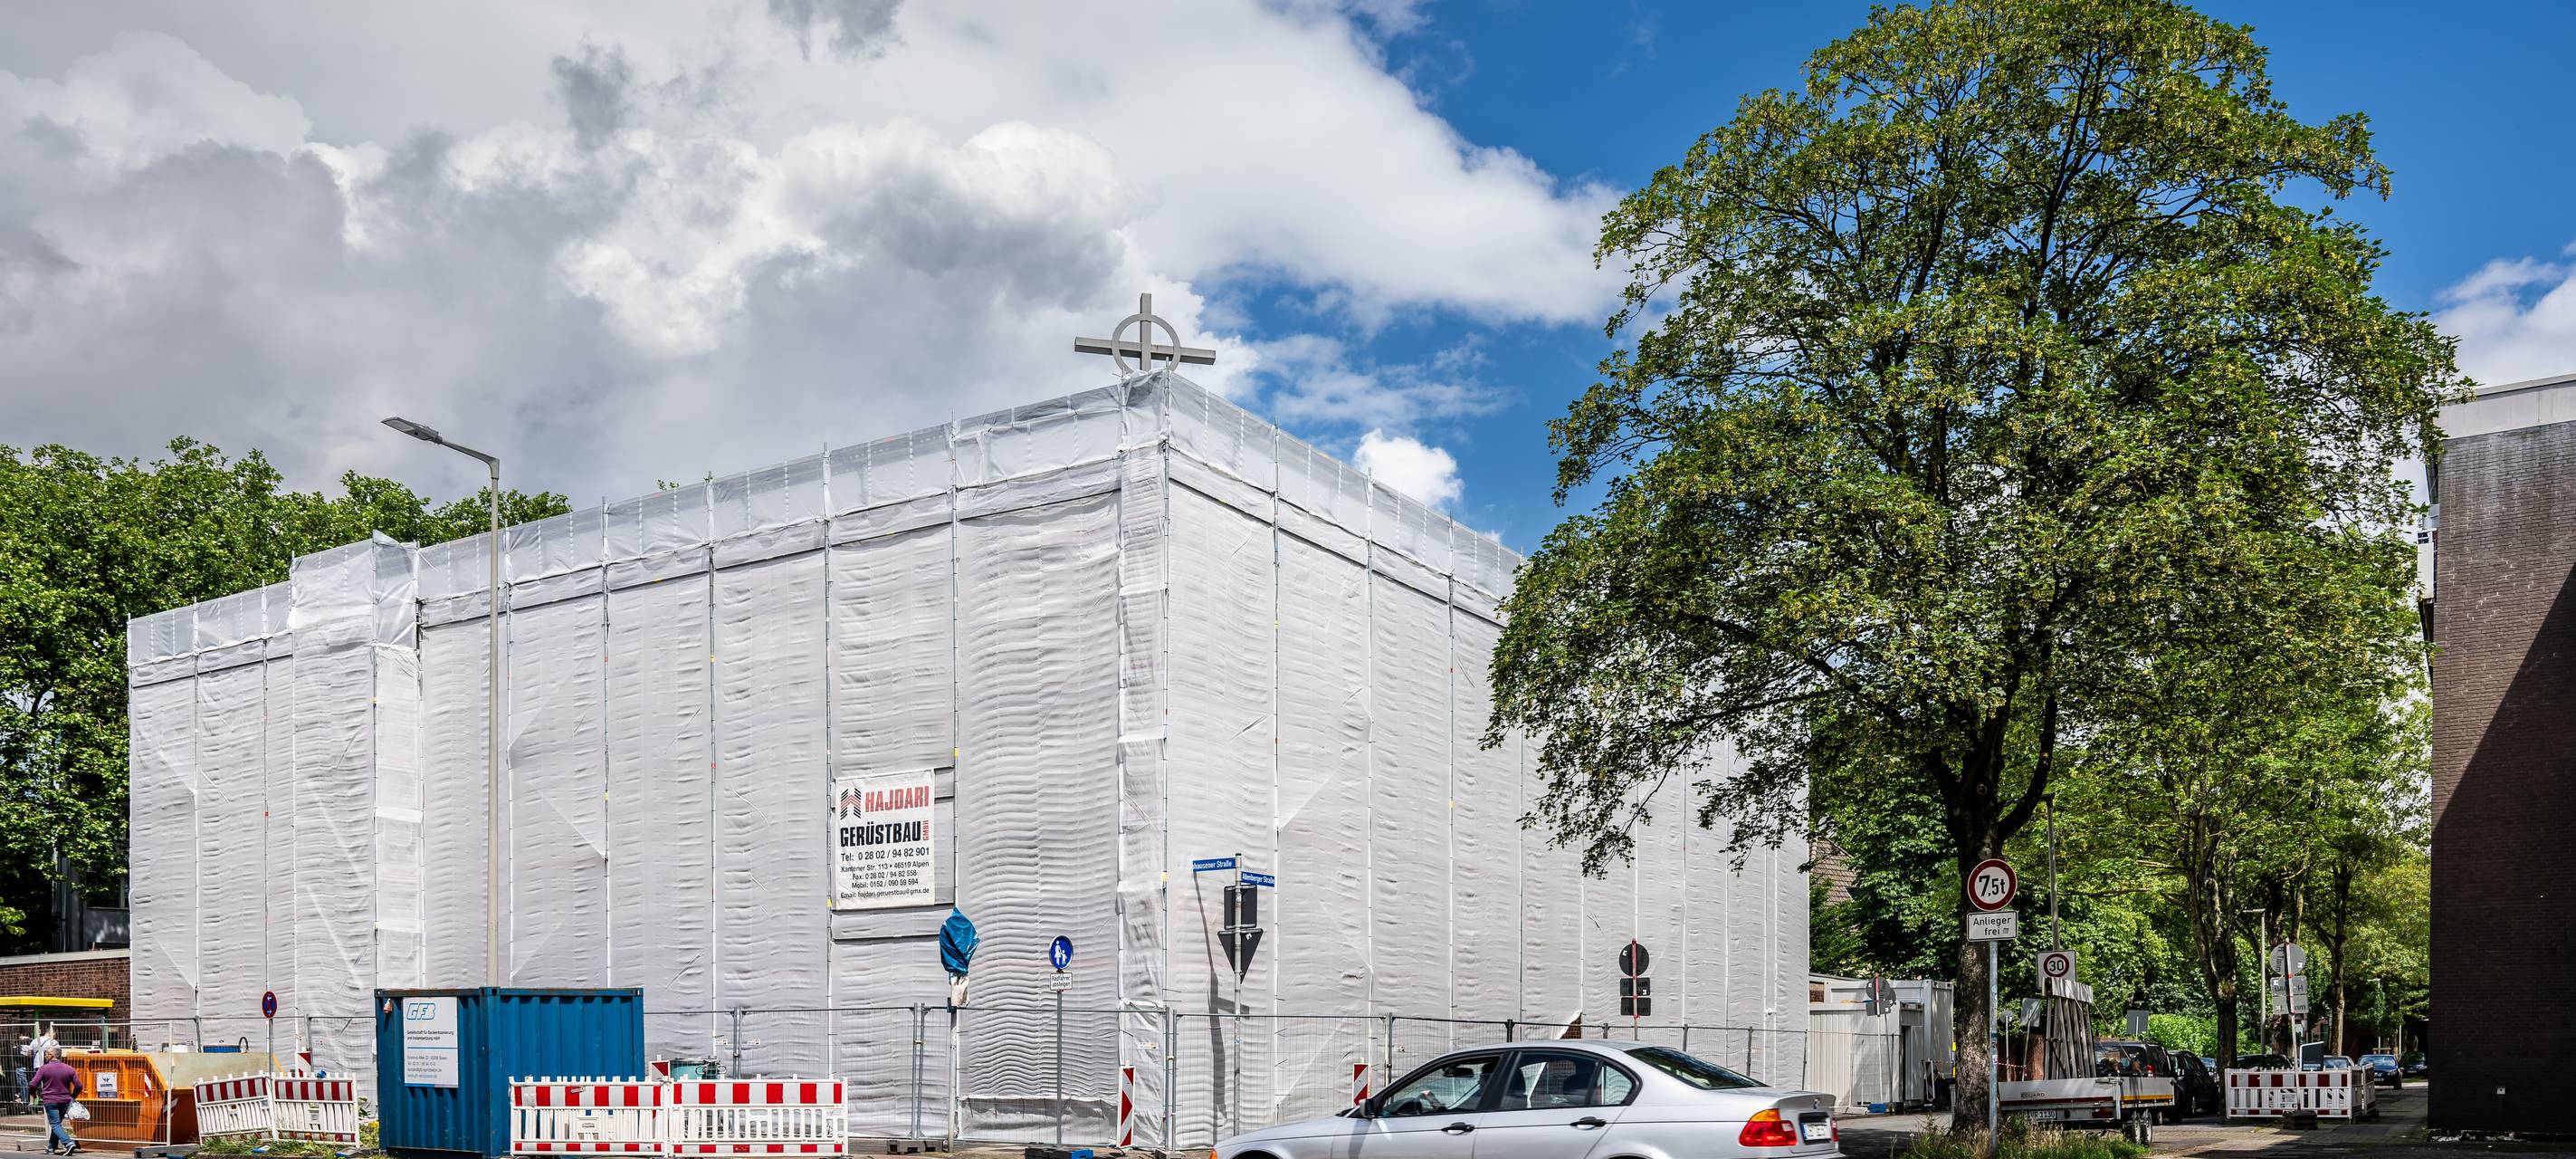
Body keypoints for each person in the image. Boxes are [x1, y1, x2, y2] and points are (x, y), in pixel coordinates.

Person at [33, 1047, 81, 1155]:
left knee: (55, 1124)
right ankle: (51, 1148)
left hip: (50, 1100)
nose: (45, 1056)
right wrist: (73, 1096)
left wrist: (33, 1093)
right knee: (57, 1124)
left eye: (47, 1053)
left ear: (52, 1055)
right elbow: (79, 1085)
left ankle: (68, 1143)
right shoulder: (69, 1069)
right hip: (65, 1100)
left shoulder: (44, 1069)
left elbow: (33, 1084)